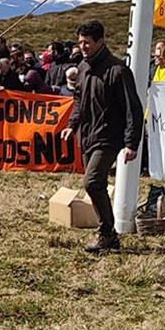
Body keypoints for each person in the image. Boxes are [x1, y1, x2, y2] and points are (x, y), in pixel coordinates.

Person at [61, 20, 144, 254]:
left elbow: (132, 109)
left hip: (108, 137)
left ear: (100, 41)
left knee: (92, 182)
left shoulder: (118, 71)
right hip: (87, 135)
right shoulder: (84, 67)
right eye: (80, 42)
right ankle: (109, 236)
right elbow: (79, 99)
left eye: (87, 42)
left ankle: (106, 231)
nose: (83, 47)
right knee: (94, 186)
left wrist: (131, 143)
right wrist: (72, 124)